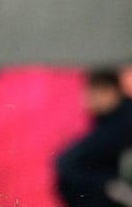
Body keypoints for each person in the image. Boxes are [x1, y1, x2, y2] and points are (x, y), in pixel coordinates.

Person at [55, 68, 132, 207]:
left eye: (93, 92)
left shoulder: (122, 123)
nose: (87, 98)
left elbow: (70, 162)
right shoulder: (111, 122)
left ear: (110, 91)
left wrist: (108, 185)